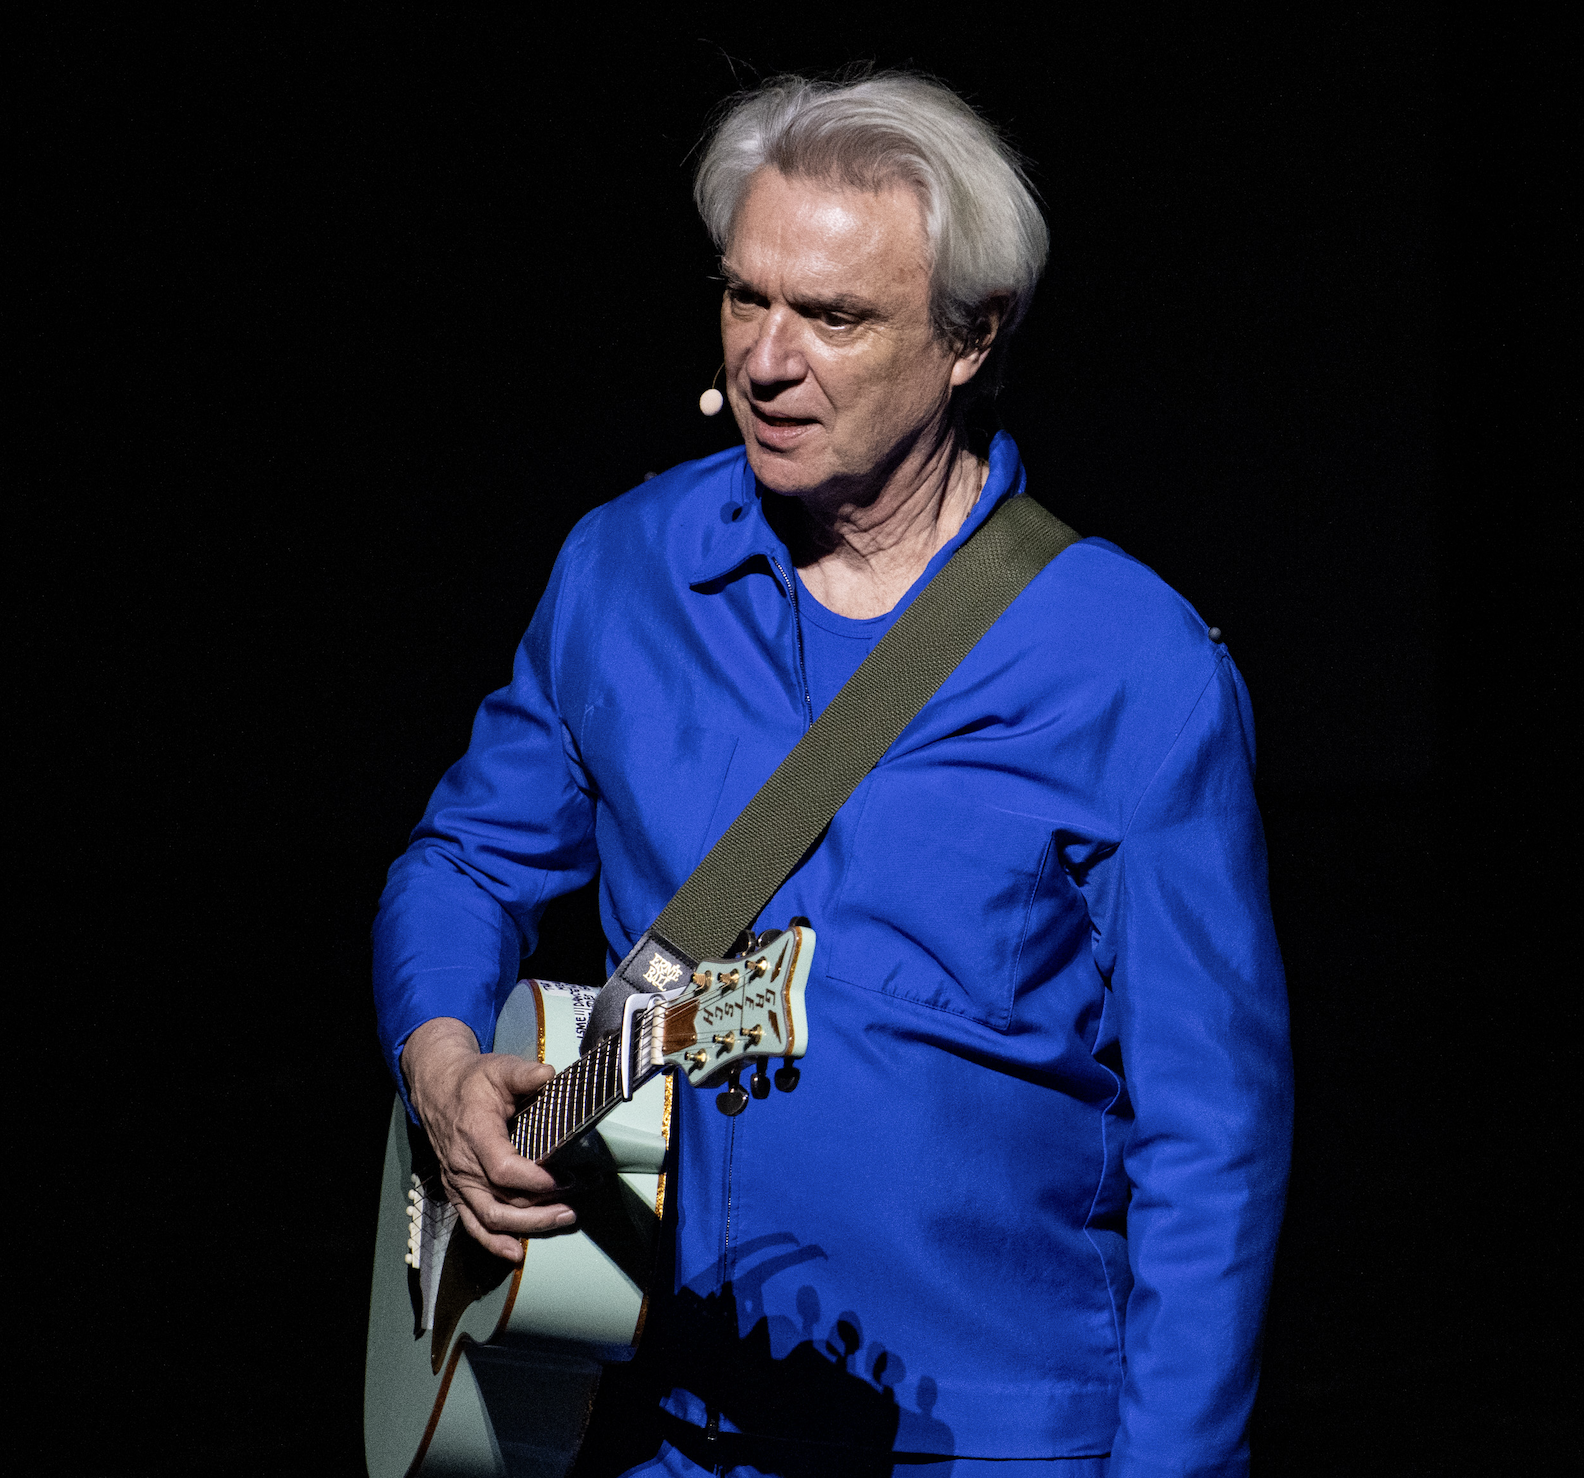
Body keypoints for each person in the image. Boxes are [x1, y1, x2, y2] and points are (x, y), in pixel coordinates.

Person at [375, 72, 1292, 1477]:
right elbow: (463, 862)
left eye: (835, 316)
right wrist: (439, 1059)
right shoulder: (624, 571)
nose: (766, 358)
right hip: (651, 1419)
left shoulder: (1131, 664)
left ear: (972, 335)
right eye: (745, 297)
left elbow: (1211, 1143)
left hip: (990, 1442)